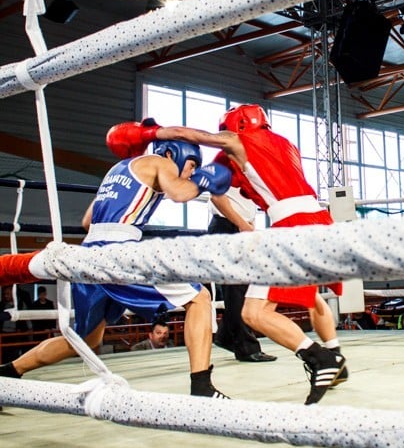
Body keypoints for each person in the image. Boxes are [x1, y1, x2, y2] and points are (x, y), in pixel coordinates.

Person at [105, 109, 348, 405]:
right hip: (319, 221)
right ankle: (334, 355)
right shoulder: (285, 144)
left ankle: (320, 359)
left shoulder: (238, 140)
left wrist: (152, 134)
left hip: (291, 226)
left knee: (254, 313)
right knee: (311, 297)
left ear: (235, 126)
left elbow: (188, 138)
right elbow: (251, 185)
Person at [0, 137, 232, 398]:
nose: (191, 171)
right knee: (200, 298)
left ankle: (7, 373)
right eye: (191, 165)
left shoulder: (118, 169)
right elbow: (179, 193)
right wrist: (203, 181)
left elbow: (88, 221)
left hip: (87, 256)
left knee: (84, 341)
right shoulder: (160, 162)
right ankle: (201, 388)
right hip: (118, 252)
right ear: (172, 154)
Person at [208, 186, 276, 363]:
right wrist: (241, 223)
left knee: (242, 288)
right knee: (238, 288)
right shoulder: (226, 163)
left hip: (240, 227)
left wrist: (249, 222)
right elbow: (217, 197)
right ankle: (247, 348)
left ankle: (226, 336)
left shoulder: (246, 169)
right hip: (228, 226)